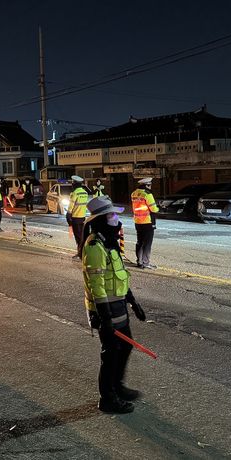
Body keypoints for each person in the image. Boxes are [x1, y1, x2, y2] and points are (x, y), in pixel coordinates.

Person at [82, 196, 146, 414]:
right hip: (106, 310)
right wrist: (105, 317)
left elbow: (120, 276)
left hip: (118, 307)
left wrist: (132, 301)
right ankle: (107, 398)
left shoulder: (109, 242)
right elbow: (96, 285)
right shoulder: (94, 246)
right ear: (101, 219)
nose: (117, 218)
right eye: (112, 215)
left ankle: (117, 386)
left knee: (125, 346)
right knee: (110, 353)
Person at [131, 177, 159, 269]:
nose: (150, 187)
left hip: (137, 221)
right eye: (150, 185)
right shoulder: (147, 194)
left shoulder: (134, 193)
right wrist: (158, 208)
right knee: (147, 243)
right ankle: (145, 262)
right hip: (147, 222)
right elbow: (154, 209)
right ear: (147, 185)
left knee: (139, 242)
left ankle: (139, 261)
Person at [67, 175, 89, 258]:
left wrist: (68, 215)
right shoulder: (85, 193)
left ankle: (80, 253)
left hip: (75, 218)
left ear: (75, 184)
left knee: (78, 237)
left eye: (73, 183)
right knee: (82, 236)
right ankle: (83, 252)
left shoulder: (75, 193)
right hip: (82, 217)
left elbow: (71, 206)